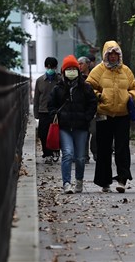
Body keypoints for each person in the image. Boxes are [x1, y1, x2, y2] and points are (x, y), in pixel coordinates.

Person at [86, 41, 135, 193]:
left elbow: (134, 87)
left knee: (122, 147)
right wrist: (99, 95)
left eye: (116, 54)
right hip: (104, 114)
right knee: (103, 149)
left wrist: (129, 96)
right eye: (110, 54)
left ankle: (122, 179)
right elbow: (88, 86)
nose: (113, 57)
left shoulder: (126, 71)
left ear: (119, 55)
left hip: (123, 115)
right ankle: (104, 181)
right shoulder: (98, 70)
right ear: (105, 55)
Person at [48, 55, 97, 194]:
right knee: (68, 154)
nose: (71, 71)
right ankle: (66, 183)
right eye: (68, 69)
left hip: (81, 127)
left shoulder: (85, 87)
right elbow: (51, 105)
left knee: (81, 158)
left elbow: (93, 103)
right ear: (63, 71)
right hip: (64, 127)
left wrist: (87, 117)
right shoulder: (58, 89)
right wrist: (56, 115)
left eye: (73, 69)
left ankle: (79, 180)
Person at [34, 57, 62, 165]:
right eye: (49, 66)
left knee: (56, 133)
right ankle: (47, 153)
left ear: (55, 67)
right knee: (43, 133)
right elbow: (36, 98)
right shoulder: (40, 81)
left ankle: (56, 151)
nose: (50, 68)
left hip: (56, 111)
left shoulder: (59, 80)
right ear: (46, 67)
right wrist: (36, 113)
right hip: (43, 111)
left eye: (53, 66)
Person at [78, 56, 97, 164]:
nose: (79, 66)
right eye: (78, 64)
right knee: (84, 133)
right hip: (81, 110)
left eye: (81, 64)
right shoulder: (78, 78)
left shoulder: (95, 76)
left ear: (87, 64)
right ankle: (84, 155)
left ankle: (95, 151)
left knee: (95, 132)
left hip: (94, 109)